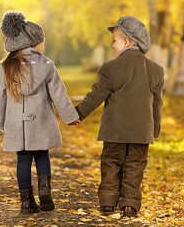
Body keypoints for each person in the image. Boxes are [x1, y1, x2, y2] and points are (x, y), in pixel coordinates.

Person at [0, 10, 81, 214]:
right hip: (41, 121)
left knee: (23, 159)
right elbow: (59, 93)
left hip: (16, 124)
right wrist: (70, 117)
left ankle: (26, 202)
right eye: (42, 42)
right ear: (32, 43)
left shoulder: (6, 66)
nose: (43, 46)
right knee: (42, 156)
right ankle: (45, 189)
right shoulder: (47, 65)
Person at [74, 15, 164, 218]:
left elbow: (96, 95)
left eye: (115, 41)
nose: (113, 46)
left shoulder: (110, 67)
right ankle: (129, 206)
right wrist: (154, 129)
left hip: (114, 131)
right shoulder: (156, 70)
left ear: (128, 42)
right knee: (135, 166)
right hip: (142, 132)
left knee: (111, 163)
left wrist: (78, 114)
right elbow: (157, 104)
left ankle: (107, 203)